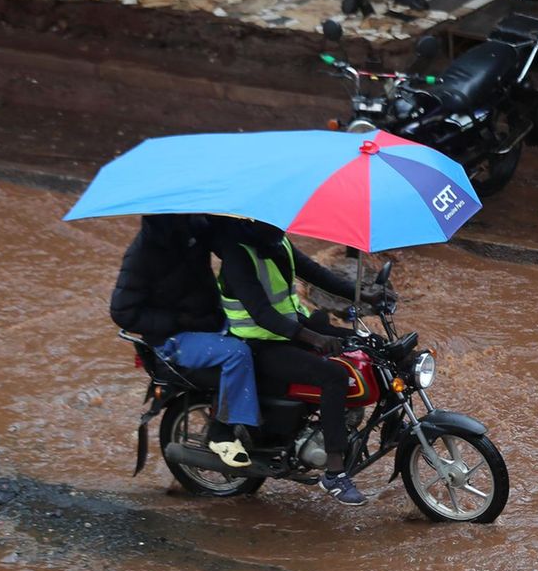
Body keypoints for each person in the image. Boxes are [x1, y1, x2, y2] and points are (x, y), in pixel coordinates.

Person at [210, 217, 386, 506]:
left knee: (371, 344)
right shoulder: (238, 255)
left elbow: (316, 273)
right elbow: (262, 314)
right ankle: (334, 473)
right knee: (334, 375)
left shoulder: (277, 241)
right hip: (258, 344)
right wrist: (313, 338)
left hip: (290, 331)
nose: (283, 226)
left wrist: (364, 295)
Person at [110, 214, 259, 469]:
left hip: (210, 321)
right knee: (237, 353)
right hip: (173, 339)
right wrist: (178, 320)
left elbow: (226, 245)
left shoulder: (194, 226)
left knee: (261, 339)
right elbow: (122, 312)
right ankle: (221, 433)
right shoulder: (141, 255)